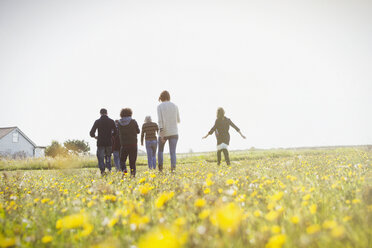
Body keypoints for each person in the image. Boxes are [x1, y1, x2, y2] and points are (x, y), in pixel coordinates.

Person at [157, 90, 180, 172]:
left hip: (164, 132)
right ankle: (173, 169)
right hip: (174, 132)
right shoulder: (175, 106)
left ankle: (160, 169)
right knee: (173, 152)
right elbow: (178, 120)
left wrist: (162, 135)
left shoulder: (160, 107)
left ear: (161, 97)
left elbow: (160, 121)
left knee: (160, 150)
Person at [90, 108, 117, 176]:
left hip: (100, 142)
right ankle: (109, 169)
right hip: (108, 142)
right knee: (108, 157)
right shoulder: (111, 121)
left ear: (100, 113)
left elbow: (91, 133)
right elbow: (116, 132)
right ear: (107, 113)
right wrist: (111, 135)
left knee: (101, 157)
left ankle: (102, 171)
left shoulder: (97, 121)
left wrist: (95, 136)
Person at [118, 108, 140, 177]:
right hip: (133, 144)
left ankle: (124, 171)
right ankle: (133, 174)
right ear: (130, 113)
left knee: (122, 160)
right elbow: (138, 131)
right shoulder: (133, 121)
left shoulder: (119, 123)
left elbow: (117, 132)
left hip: (124, 144)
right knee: (132, 161)